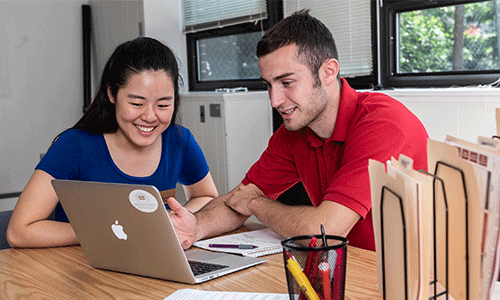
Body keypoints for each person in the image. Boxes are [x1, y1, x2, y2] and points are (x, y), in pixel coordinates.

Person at [167, 10, 428, 251]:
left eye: (287, 82)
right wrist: (195, 226)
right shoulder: (295, 131)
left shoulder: (383, 124)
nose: (274, 100)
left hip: (413, 279)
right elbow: (238, 198)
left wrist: (257, 203)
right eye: (269, 85)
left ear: (328, 72)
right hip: (349, 265)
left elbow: (325, 231)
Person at [7, 37, 218, 248]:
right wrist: (113, 232)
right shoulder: (75, 146)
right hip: (83, 270)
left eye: (163, 105)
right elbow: (20, 231)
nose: (150, 116)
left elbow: (207, 196)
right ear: (112, 93)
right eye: (136, 103)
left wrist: (171, 224)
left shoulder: (179, 140)